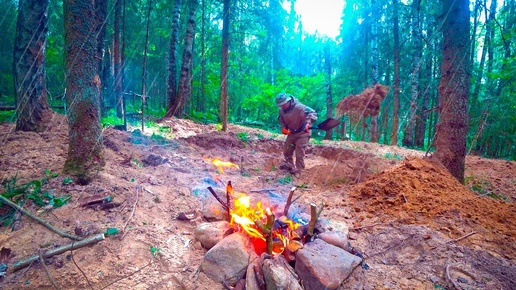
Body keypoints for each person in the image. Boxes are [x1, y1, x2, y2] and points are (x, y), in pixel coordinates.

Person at [276, 93, 317, 175]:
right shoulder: (281, 110)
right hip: (292, 133)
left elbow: (312, 113)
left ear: (288, 101)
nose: (282, 106)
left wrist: (307, 124)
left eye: (284, 104)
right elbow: (281, 119)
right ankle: (290, 169)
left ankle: (299, 173)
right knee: (287, 152)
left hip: (303, 133)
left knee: (299, 154)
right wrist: (284, 128)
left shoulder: (299, 107)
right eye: (280, 105)